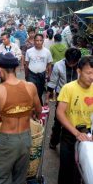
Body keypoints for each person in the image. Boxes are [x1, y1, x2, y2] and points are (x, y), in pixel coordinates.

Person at [0, 52, 42, 184]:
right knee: (20, 177)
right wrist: (25, 113)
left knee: (0, 176)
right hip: (26, 137)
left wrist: (9, 116)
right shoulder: (31, 86)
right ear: (16, 68)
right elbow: (39, 111)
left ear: (0, 69)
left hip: (7, 139)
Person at [56, 56, 93, 184]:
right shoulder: (68, 88)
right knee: (66, 169)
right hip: (70, 134)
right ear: (79, 71)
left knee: (83, 171)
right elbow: (60, 113)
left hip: (88, 135)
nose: (92, 77)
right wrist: (76, 133)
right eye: (89, 73)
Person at [46, 48, 82, 149]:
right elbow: (53, 81)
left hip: (78, 97)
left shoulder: (83, 66)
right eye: (69, 62)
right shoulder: (58, 65)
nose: (71, 64)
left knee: (76, 119)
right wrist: (47, 96)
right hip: (62, 97)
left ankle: (74, 142)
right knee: (58, 121)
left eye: (73, 62)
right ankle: (54, 141)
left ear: (78, 60)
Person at [25, 34, 53, 105]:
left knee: (40, 92)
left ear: (43, 41)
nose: (38, 42)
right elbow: (26, 64)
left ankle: (38, 107)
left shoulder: (47, 51)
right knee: (32, 91)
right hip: (31, 74)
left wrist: (49, 75)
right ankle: (34, 107)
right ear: (34, 41)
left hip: (42, 74)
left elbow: (49, 64)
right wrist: (26, 75)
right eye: (37, 40)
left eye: (40, 40)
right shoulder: (29, 51)